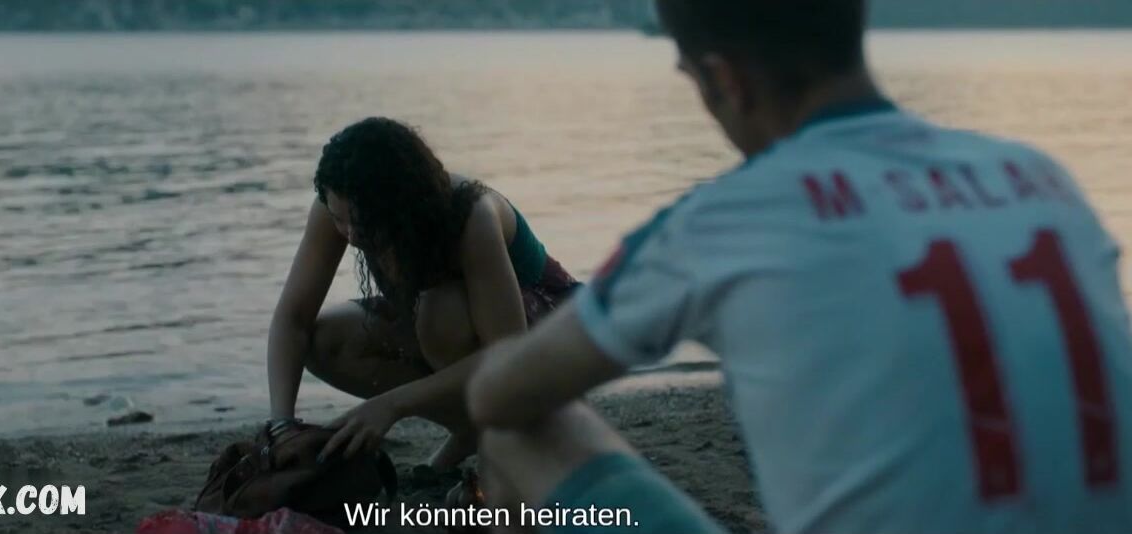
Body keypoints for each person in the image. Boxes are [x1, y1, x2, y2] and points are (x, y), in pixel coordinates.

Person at [466, 1, 1132, 533]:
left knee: (516, 434)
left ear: (724, 80)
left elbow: (498, 396)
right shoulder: (1043, 179)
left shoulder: (723, 219)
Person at [265, 117, 578, 470]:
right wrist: (281, 425)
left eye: (364, 223)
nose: (352, 236)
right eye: (340, 220)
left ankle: (501, 428)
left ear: (402, 204)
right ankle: (471, 429)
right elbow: (293, 319)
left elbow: (506, 350)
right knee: (324, 340)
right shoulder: (338, 201)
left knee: (440, 313)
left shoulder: (470, 215)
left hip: (544, 334)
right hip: (449, 330)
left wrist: (392, 405)